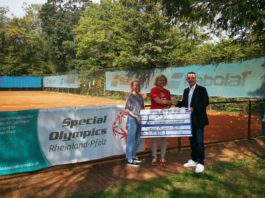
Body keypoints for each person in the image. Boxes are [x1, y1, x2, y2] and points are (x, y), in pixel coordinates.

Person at [177, 72, 209, 173]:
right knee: (192, 141)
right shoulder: (186, 91)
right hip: (188, 120)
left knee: (199, 142)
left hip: (199, 120)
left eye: (192, 78)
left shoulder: (202, 89)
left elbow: (205, 102)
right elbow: (185, 103)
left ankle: (201, 162)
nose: (191, 79)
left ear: (195, 79)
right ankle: (194, 159)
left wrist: (194, 108)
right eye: (189, 78)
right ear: (187, 80)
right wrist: (176, 103)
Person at [150, 75, 177, 167]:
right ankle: (154, 157)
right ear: (156, 81)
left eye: (163, 80)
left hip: (165, 116)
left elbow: (168, 105)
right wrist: (170, 102)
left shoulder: (167, 91)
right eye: (160, 80)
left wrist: (169, 104)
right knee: (154, 137)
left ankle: (162, 157)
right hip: (155, 116)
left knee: (164, 137)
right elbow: (158, 101)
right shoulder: (153, 90)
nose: (161, 82)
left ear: (165, 82)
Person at [125, 79, 145, 167]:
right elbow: (126, 109)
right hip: (132, 119)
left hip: (140, 119)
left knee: (138, 139)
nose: (137, 87)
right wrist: (135, 116)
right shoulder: (130, 97)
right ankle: (129, 159)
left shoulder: (141, 97)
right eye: (135, 85)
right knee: (131, 139)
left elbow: (142, 108)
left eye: (139, 85)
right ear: (132, 87)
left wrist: (143, 116)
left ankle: (133, 156)